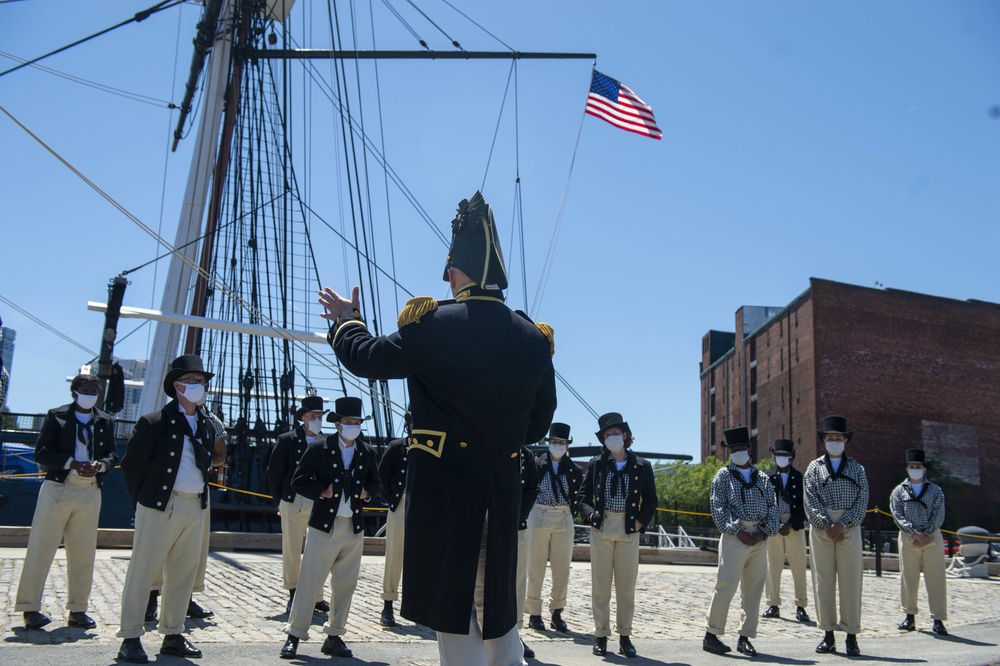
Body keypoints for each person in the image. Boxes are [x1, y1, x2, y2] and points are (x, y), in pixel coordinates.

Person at [318, 191, 557, 666]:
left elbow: (367, 358)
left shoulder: (436, 324)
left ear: (457, 270)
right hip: (501, 492)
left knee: (455, 615)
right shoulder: (533, 339)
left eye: (448, 269)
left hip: (446, 493)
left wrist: (347, 321)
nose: (444, 278)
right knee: (498, 610)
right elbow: (539, 422)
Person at [116, 354, 224, 664]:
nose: (198, 387)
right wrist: (144, 504)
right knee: (143, 572)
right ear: (176, 385)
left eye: (201, 382)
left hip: (195, 506)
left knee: (182, 574)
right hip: (161, 505)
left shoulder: (206, 424)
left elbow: (211, 460)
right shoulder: (154, 422)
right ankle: (130, 637)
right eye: (191, 381)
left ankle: (173, 634)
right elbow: (132, 466)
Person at [15, 373, 118, 630]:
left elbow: (112, 454)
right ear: (74, 392)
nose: (90, 395)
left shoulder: (104, 421)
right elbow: (42, 451)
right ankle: (29, 608)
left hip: (90, 490)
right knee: (42, 546)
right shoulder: (56, 416)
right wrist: (72, 463)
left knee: (84, 551)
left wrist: (100, 466)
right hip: (58, 487)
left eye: (94, 391)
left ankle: (78, 609)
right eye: (85, 390)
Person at [279, 396, 380, 659]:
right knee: (309, 582)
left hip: (354, 527)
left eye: (357, 422)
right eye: (348, 422)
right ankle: (294, 635)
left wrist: (366, 494)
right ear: (338, 424)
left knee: (346, 584)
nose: (353, 426)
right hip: (325, 526)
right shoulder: (319, 449)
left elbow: (376, 485)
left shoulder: (367, 452)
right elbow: (297, 481)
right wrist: (321, 491)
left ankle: (334, 636)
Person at [578, 412, 658, 659]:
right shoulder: (597, 464)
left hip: (627, 527)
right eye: (606, 435)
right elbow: (583, 497)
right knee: (600, 586)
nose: (611, 438)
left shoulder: (642, 466)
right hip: (603, 527)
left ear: (625, 435)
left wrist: (639, 522)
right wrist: (590, 515)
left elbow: (651, 500)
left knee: (626, 587)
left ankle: (625, 636)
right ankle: (601, 635)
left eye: (614, 433)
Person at [702, 426, 779, 657]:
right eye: (733, 449)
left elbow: (773, 507)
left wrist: (765, 531)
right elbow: (718, 507)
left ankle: (745, 636)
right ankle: (712, 633)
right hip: (736, 536)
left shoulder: (762, 478)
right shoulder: (723, 476)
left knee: (754, 589)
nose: (738, 452)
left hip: (759, 536)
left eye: (741, 448)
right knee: (726, 584)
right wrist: (738, 530)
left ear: (749, 449)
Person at [146, 406, 228, 623]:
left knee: (193, 552)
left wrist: (205, 460)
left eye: (200, 383)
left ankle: (186, 598)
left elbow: (221, 454)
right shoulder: (163, 417)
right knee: (156, 548)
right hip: (165, 489)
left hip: (197, 490)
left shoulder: (213, 422)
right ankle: (150, 596)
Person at [804, 415, 869, 657]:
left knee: (851, 580)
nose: (834, 441)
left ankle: (851, 635)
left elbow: (862, 499)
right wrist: (825, 524)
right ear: (824, 441)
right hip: (822, 529)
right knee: (823, 581)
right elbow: (809, 498)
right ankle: (827, 633)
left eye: (838, 438)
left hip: (849, 527)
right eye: (830, 438)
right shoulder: (814, 468)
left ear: (845, 441)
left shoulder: (857, 468)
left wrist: (843, 523)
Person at [267, 394, 332, 615]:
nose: (317, 419)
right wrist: (280, 502)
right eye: (314, 416)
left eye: (320, 416)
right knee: (293, 549)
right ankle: (293, 592)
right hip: (293, 500)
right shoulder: (288, 440)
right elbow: (274, 473)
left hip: (319, 501)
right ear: (303, 417)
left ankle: (317, 596)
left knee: (318, 550)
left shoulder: (326, 441)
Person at [525, 422, 582, 635]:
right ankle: (534, 612)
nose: (558, 445)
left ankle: (557, 611)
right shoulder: (537, 464)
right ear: (549, 443)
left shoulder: (574, 470)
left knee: (561, 569)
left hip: (563, 515)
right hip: (539, 513)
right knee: (535, 567)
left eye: (561, 442)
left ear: (567, 445)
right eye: (554, 442)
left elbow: (578, 493)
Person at [890, 449, 948, 636]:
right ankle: (909, 615)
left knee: (936, 578)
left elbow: (939, 514)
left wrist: (927, 532)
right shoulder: (899, 491)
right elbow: (897, 514)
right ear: (907, 469)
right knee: (908, 577)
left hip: (931, 537)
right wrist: (913, 532)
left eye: (918, 466)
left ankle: (938, 618)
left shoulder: (935, 490)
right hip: (909, 537)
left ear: (924, 469)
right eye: (911, 466)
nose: (915, 469)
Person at [762, 438, 810, 623]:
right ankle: (773, 603)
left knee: (798, 568)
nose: (782, 458)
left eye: (786, 455)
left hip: (794, 526)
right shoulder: (768, 477)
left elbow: (805, 503)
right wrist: (775, 523)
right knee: (772, 567)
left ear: (792, 457)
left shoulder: (799, 477)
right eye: (779, 455)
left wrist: (790, 523)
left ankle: (801, 606)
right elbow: (765, 503)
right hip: (774, 527)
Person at [377, 411, 411, 627]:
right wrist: (392, 501)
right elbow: (382, 475)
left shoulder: (436, 448)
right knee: (394, 557)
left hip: (425, 507)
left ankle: (418, 606)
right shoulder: (397, 447)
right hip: (401, 503)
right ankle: (387, 605)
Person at [517, 445, 540, 660]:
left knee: (517, 583)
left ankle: (514, 633)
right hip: (484, 524)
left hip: (516, 526)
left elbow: (533, 487)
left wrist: (517, 516)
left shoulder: (527, 455)